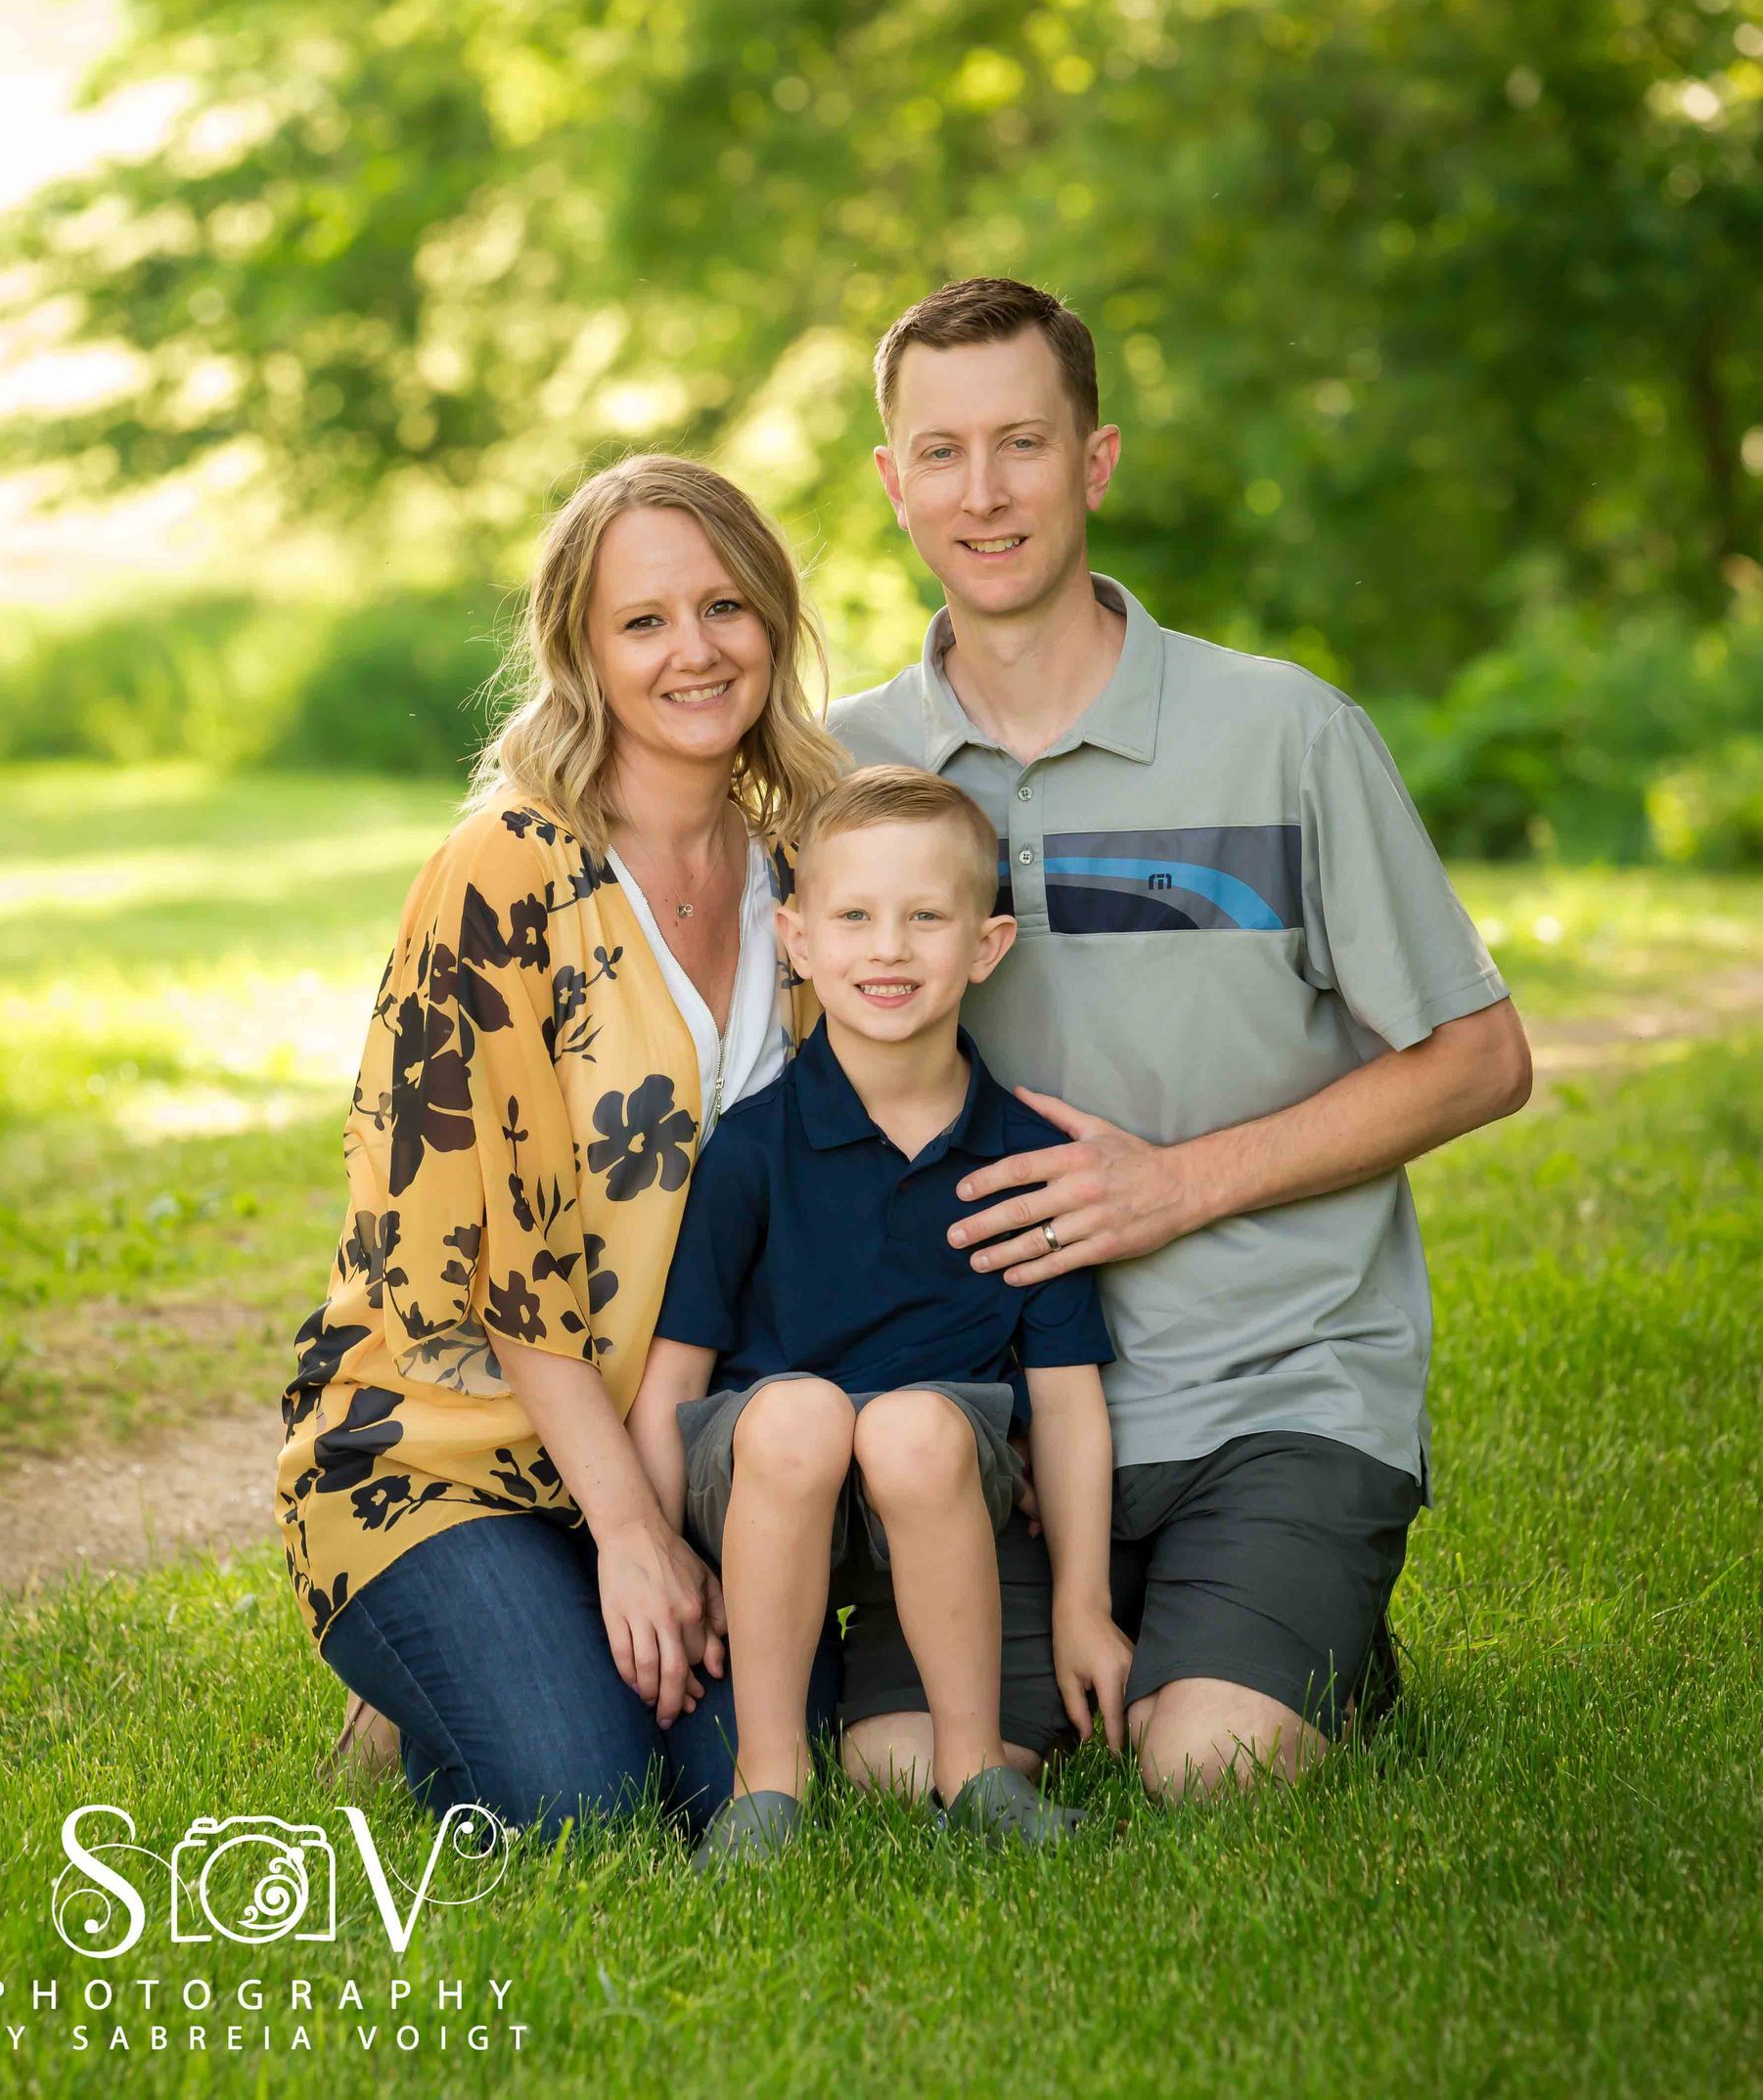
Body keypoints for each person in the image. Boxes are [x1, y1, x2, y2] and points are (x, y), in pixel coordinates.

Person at [830, 278, 1535, 1801]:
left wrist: (1176, 1186)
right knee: (893, 1771)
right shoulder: (845, 768)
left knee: (1209, 1765)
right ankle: (1177, 1625)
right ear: (892, 483)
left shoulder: (1283, 731)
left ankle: (1285, 1629)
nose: (985, 491)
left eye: (1024, 443)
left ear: (1097, 460)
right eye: (940, 453)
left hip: (1275, 1379)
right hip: (986, 1409)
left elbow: (1483, 1057)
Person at [273, 453, 844, 1841]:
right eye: (643, 622)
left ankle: (530, 1642)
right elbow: (493, 1262)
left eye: (725, 608)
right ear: (583, 652)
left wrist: (693, 1510)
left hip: (684, 1449)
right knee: (583, 1799)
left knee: (740, 1787)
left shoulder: (808, 875)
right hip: (451, 1445)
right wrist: (633, 1542)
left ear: (773, 619)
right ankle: (425, 1662)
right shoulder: (507, 870)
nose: (695, 652)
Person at [625, 768, 1125, 1863]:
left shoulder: (1027, 1162)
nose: (887, 949)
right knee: (801, 1415)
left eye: (925, 918)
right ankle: (768, 1791)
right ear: (797, 939)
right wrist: (656, 1551)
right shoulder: (753, 1148)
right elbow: (673, 1378)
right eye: (853, 917)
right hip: (763, 1480)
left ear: (987, 946)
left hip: (939, 1489)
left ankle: (975, 1773)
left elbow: (1069, 1402)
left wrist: (1084, 1605)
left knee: (910, 1423)